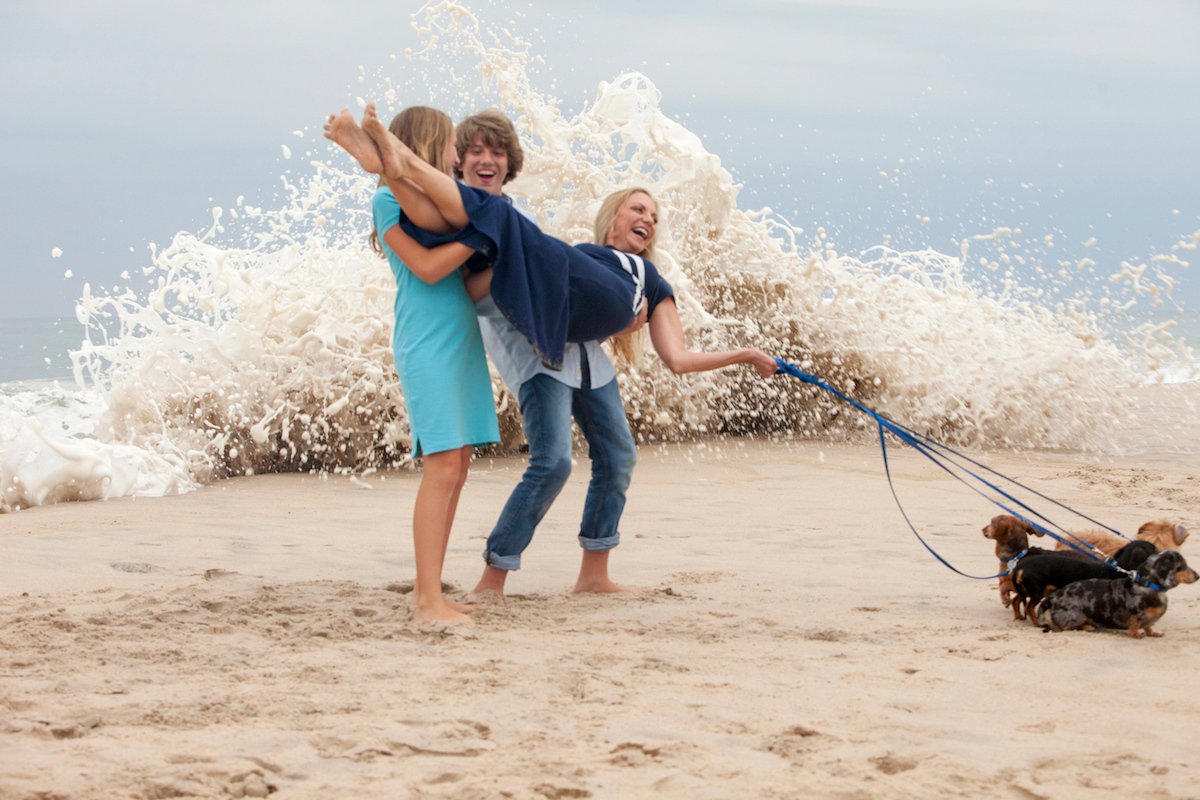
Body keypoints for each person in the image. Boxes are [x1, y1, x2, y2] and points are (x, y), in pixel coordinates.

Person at [324, 106, 499, 625]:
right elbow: (425, 269)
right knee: (441, 468)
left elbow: (461, 283)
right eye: (449, 144)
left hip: (458, 333)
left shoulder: (435, 205)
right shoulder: (385, 200)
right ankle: (427, 602)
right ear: (427, 143)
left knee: (458, 468)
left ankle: (432, 590)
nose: (455, 155)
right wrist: (478, 236)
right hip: (425, 340)